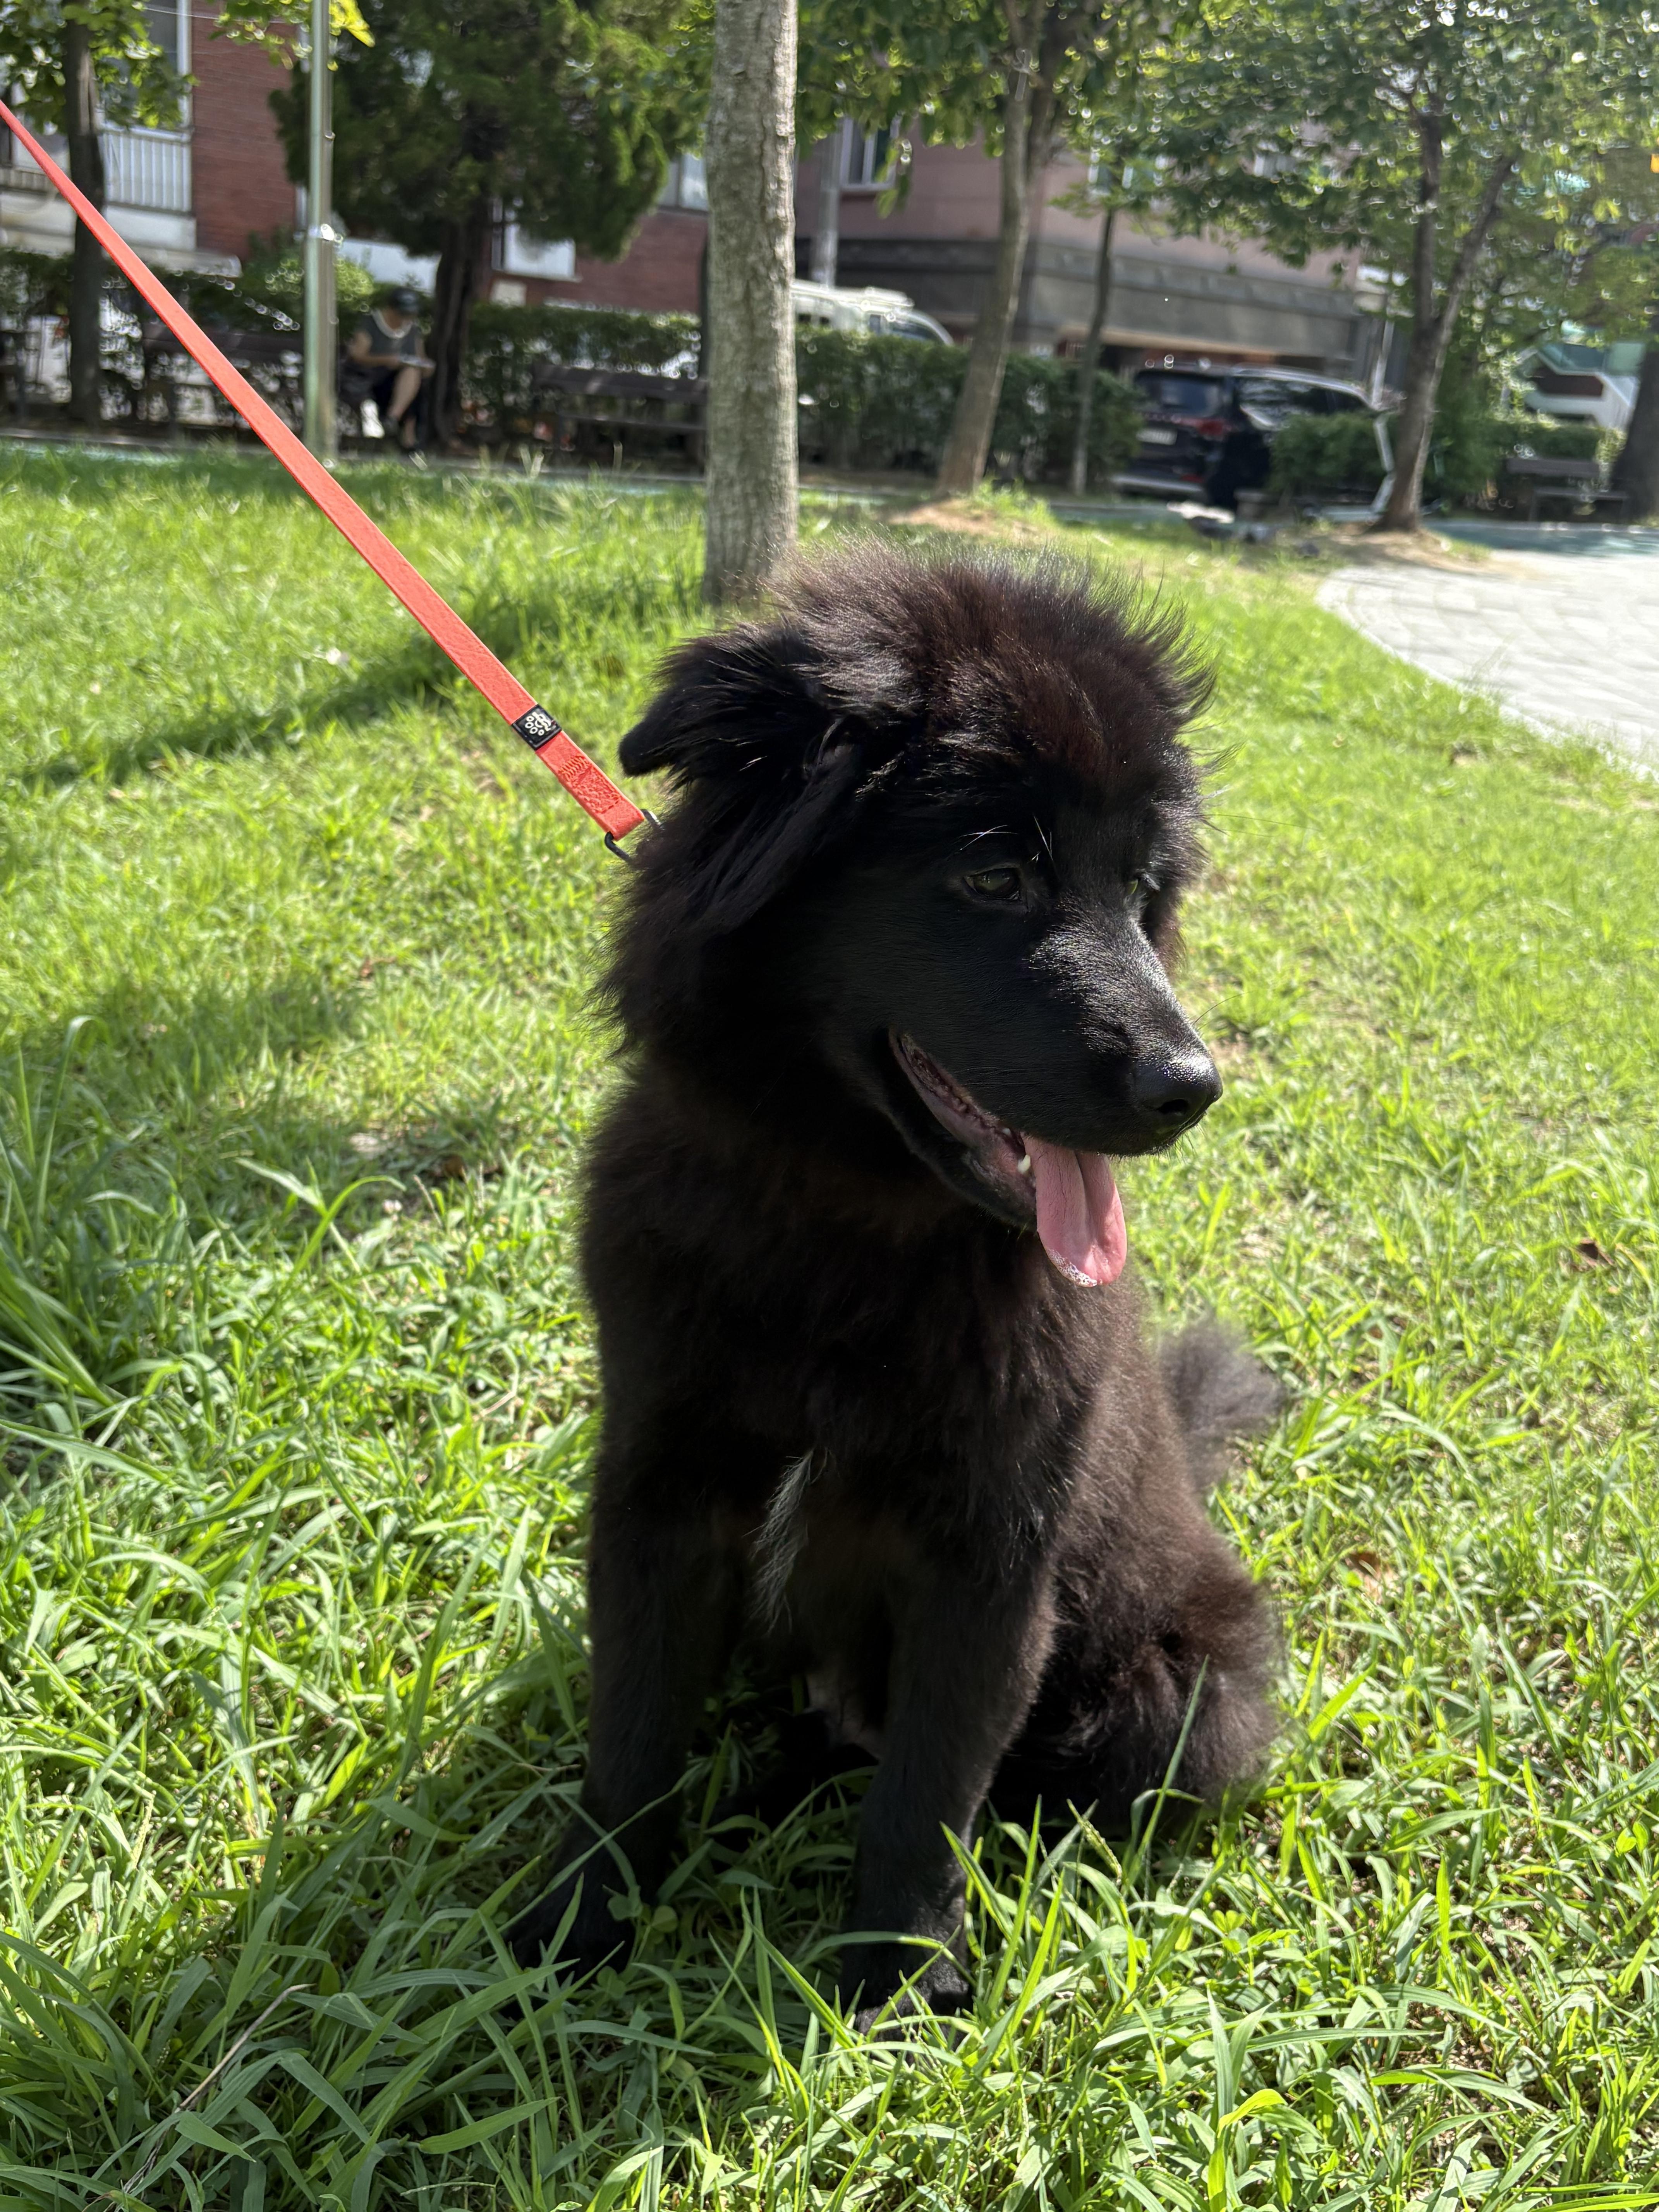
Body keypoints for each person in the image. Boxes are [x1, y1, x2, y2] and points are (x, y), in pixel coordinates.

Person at [341, 286, 433, 450]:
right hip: (369, 378)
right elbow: (357, 356)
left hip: (399, 382)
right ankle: (397, 430)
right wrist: (386, 360)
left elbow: (420, 358)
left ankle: (394, 421)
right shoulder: (370, 324)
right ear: (391, 309)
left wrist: (426, 366)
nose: (405, 318)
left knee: (413, 376)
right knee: (409, 386)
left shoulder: (413, 329)